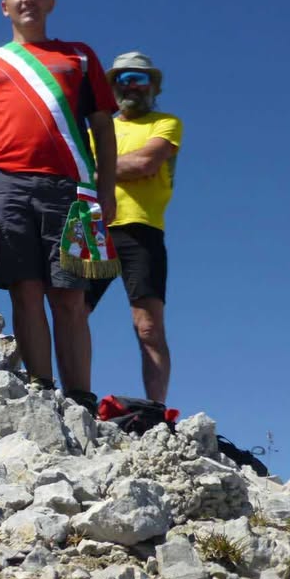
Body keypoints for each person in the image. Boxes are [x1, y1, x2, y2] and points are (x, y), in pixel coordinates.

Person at [0, 0, 118, 411]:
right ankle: (41, 388)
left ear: (51, 3)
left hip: (71, 187)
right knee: (24, 290)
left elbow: (103, 127)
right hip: (5, 182)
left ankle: (81, 395)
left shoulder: (80, 57)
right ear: (4, 6)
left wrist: (107, 191)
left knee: (71, 294)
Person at [86, 52, 181, 403]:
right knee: (74, 312)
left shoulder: (166, 123)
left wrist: (101, 170)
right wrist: (107, 169)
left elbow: (146, 162)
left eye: (139, 79)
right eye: (122, 79)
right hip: (95, 226)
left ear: (154, 86)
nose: (130, 86)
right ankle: (77, 392)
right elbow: (81, 170)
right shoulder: (99, 126)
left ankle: (157, 408)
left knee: (149, 326)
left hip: (143, 230)